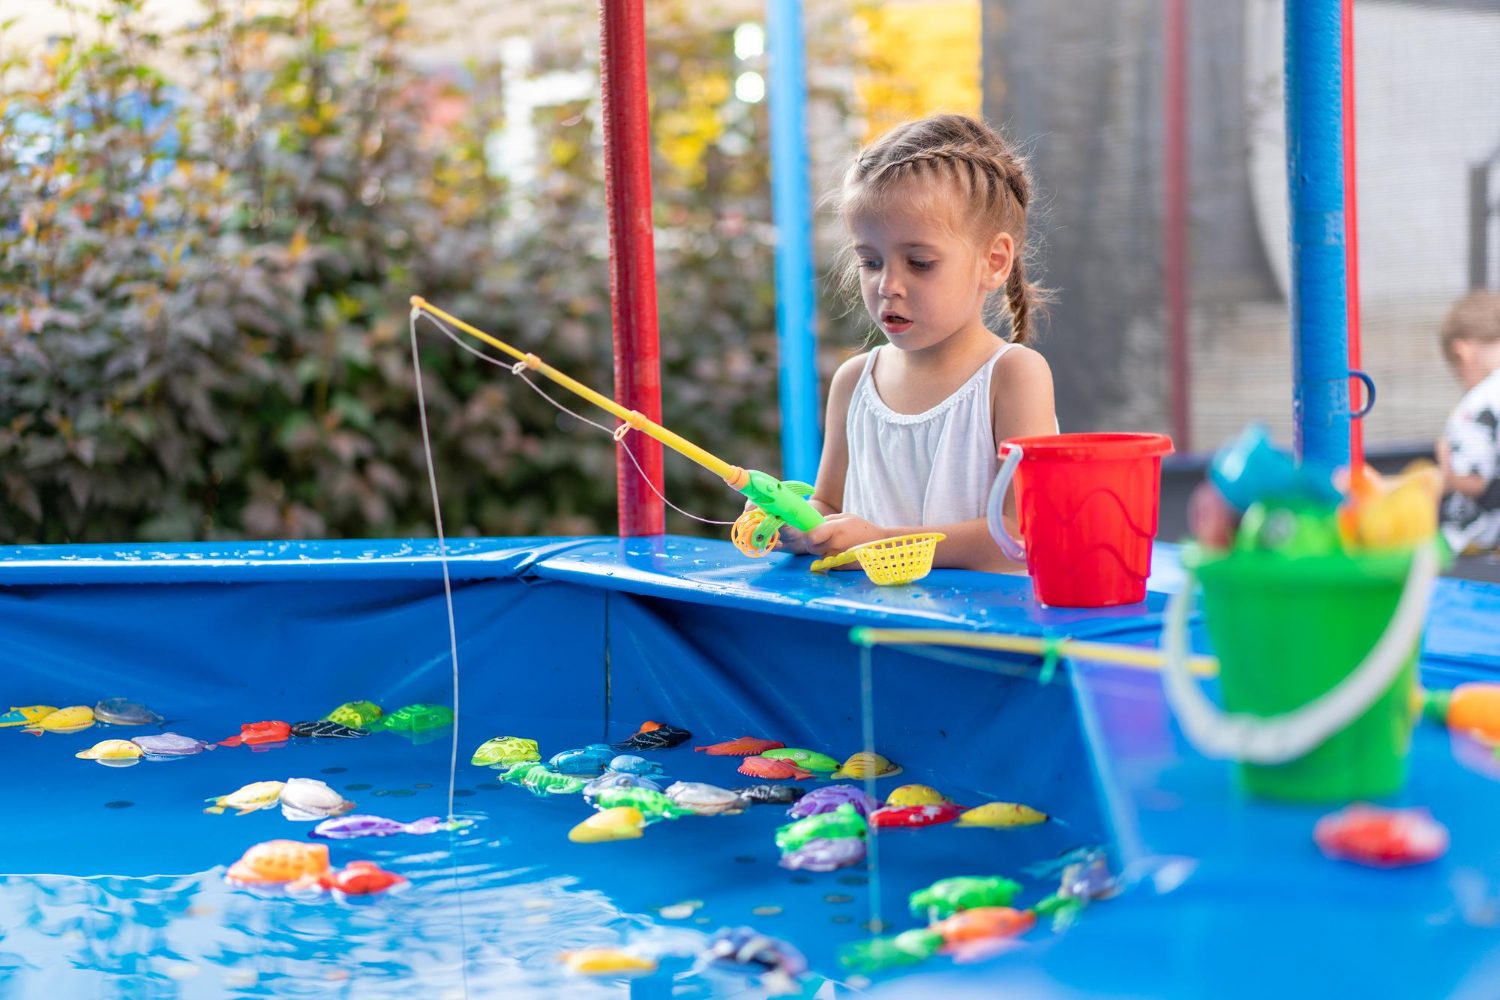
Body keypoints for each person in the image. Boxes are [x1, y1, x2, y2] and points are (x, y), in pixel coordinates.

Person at [778, 113, 1056, 572]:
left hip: (977, 637)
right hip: (865, 631)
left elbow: (1023, 529)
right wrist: (796, 524)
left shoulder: (1012, 375)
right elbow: (829, 507)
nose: (889, 284)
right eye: (870, 261)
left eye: (920, 263)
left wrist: (882, 544)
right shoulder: (854, 382)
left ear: (993, 261)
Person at [1438, 290, 1500, 555]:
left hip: (1484, 550)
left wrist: (1446, 463)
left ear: (1461, 352)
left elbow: (1473, 480)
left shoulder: (1478, 404)